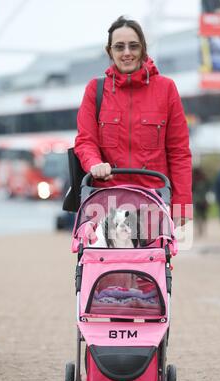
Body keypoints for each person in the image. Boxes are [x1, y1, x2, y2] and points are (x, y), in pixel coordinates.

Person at [74, 16, 192, 227]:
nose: (127, 52)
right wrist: (94, 164)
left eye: (133, 46)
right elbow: (85, 141)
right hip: (105, 205)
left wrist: (182, 206)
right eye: (119, 47)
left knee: (153, 260)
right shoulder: (95, 90)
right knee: (102, 260)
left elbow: (179, 152)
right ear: (109, 51)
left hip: (154, 204)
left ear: (143, 49)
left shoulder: (166, 89)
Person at [192, 167, 210, 238]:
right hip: (201, 200)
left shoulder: (196, 180)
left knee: (200, 215)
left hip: (200, 200)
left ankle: (201, 229)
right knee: (202, 215)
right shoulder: (204, 180)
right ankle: (202, 228)